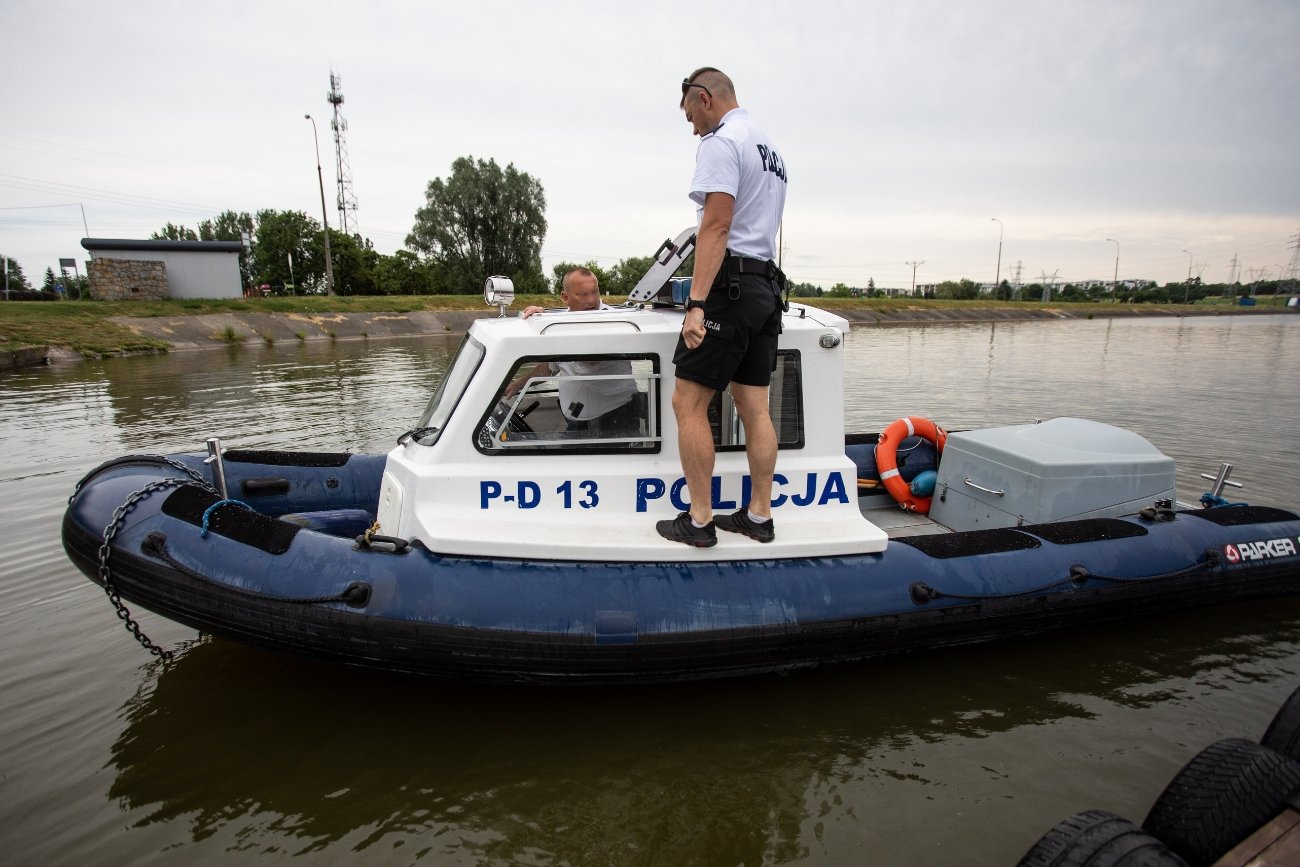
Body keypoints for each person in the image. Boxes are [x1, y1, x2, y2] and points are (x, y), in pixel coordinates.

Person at [655, 67, 789, 548]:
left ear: (705, 98)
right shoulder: (769, 148)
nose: (692, 126)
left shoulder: (721, 142)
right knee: (755, 408)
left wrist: (695, 304)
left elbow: (715, 227)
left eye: (691, 114)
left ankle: (699, 521)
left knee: (687, 403)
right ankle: (758, 515)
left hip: (728, 291)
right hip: (765, 290)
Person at [513, 268, 642, 437]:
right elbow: (551, 367)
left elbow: (590, 360)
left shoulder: (614, 322)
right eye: (582, 295)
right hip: (578, 421)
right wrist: (517, 385)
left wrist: (550, 325)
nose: (591, 300)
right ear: (565, 298)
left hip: (615, 419)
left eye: (595, 292)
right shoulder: (563, 322)